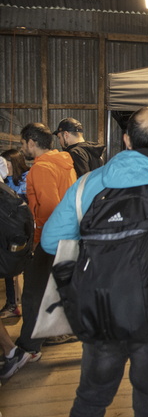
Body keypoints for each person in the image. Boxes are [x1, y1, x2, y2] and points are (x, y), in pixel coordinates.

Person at [39, 106, 148, 415]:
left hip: (101, 305)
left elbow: (51, 240)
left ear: (126, 140)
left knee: (91, 398)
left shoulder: (89, 183)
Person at [0, 123, 76, 381]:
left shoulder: (42, 168)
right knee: (55, 290)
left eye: (23, 144)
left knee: (33, 293)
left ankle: (29, 348)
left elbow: (50, 207)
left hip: (48, 239)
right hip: (68, 236)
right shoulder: (65, 163)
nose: (23, 149)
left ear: (32, 142)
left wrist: (36, 239)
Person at [1, 149, 30, 319]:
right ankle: (12, 304)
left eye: (7, 163)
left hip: (25, 231)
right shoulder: (5, 182)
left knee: (26, 269)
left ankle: (26, 305)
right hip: (10, 232)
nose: (5, 167)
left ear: (14, 163)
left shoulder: (28, 179)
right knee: (9, 266)